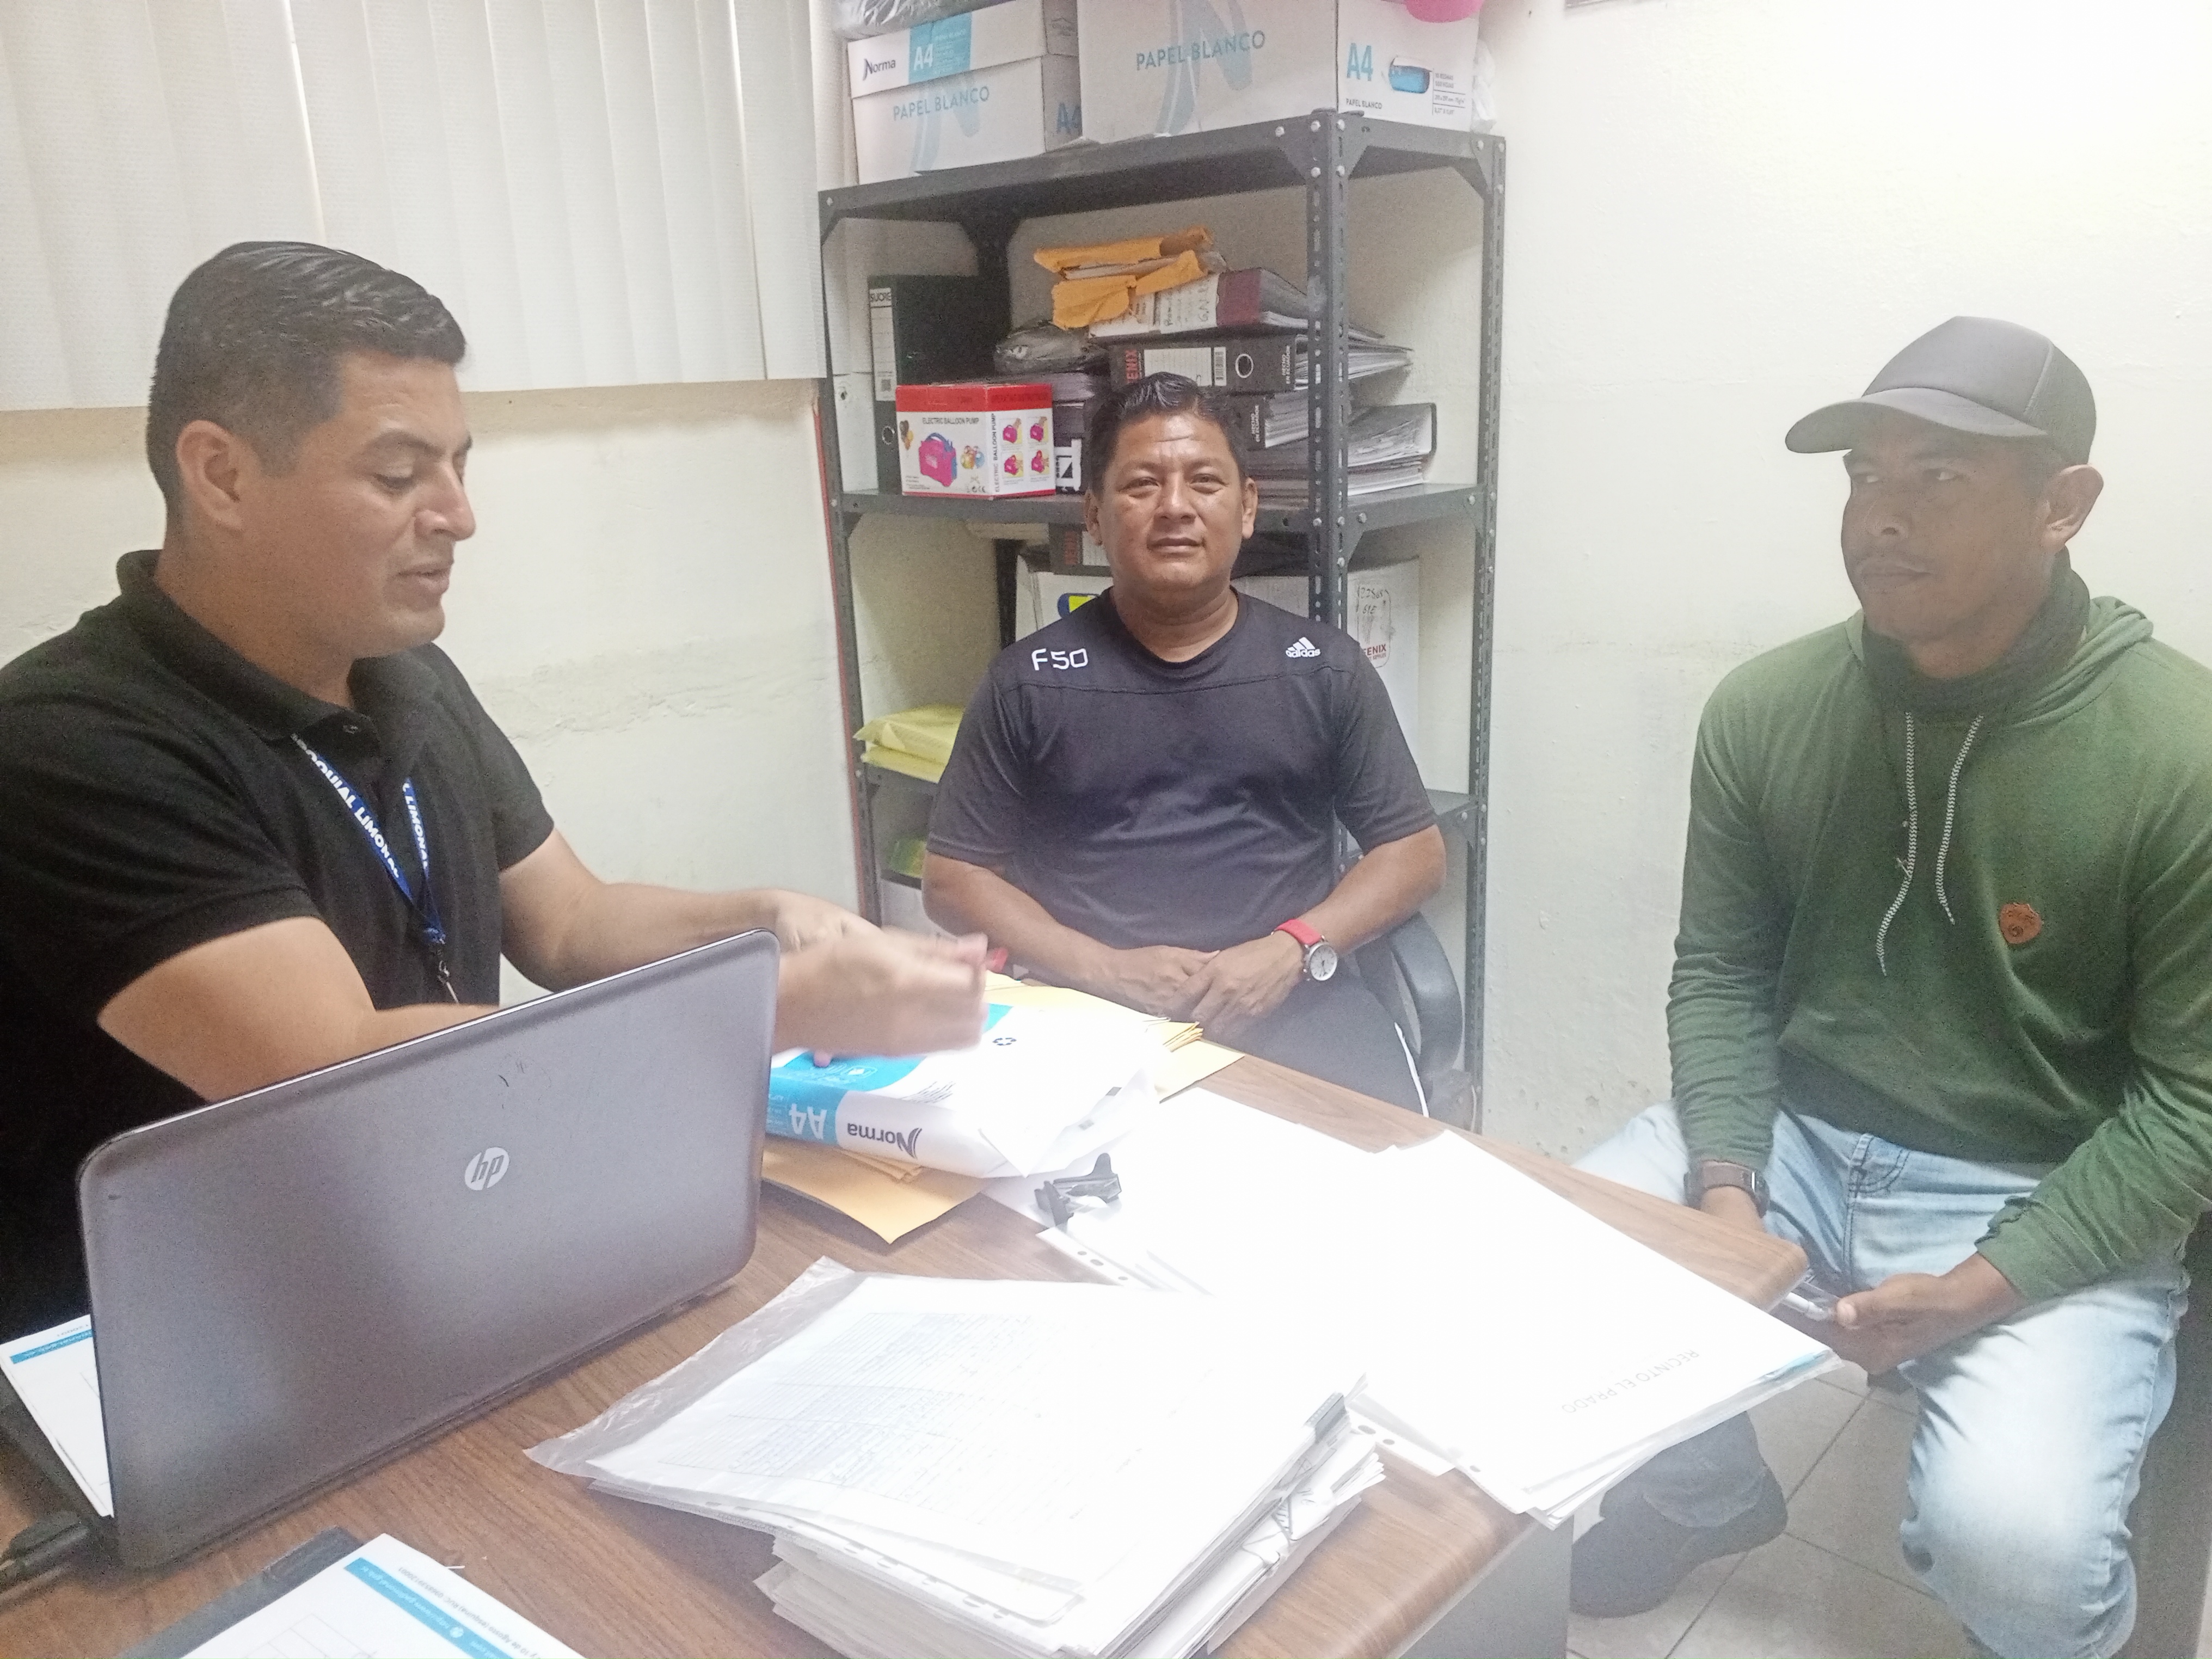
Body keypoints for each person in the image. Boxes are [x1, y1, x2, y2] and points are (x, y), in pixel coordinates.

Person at [0, 242, 987, 1340]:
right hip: (173, 1343)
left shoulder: (404, 675)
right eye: (397, 476)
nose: (458, 516)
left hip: (438, 1243)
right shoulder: (71, 742)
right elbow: (331, 1067)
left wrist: (764, 926)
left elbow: (570, 921)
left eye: (458, 466)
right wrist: (773, 1007)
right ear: (221, 474)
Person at [1569, 317, 2212, 1659]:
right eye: (1864, 476)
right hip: (1796, 1144)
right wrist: (1727, 1194)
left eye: (1939, 478)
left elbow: (2189, 1105)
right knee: (1541, 1270)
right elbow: (1721, 972)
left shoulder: (2180, 752)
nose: (1881, 518)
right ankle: (1706, 1490)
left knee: (2016, 1551)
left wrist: (1980, 1286)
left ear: (2063, 505)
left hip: (2040, 1176)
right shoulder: (1765, 709)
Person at [922, 373, 1446, 1109]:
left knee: (1375, 1167)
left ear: (1247, 507)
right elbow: (952, 880)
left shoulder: (1323, 669)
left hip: (1288, 995)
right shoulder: (1029, 682)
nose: (1175, 507)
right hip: (1092, 1008)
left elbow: (1414, 854)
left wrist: (1293, 948)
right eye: (1142, 484)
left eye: (1205, 481)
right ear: (1095, 514)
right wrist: (1104, 968)